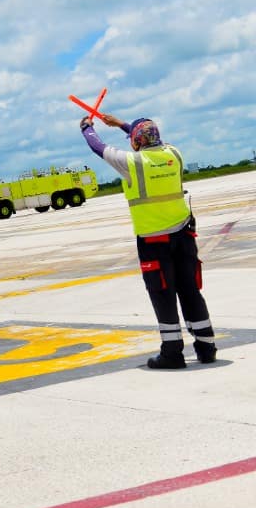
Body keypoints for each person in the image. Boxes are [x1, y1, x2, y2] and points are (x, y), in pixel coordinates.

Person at [80, 113, 216, 369]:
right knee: (190, 290)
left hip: (154, 241)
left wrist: (87, 128)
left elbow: (97, 147)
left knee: (163, 293)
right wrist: (120, 124)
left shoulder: (132, 162)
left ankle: (173, 352)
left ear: (135, 141)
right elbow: (144, 133)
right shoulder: (173, 155)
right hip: (184, 235)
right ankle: (206, 347)